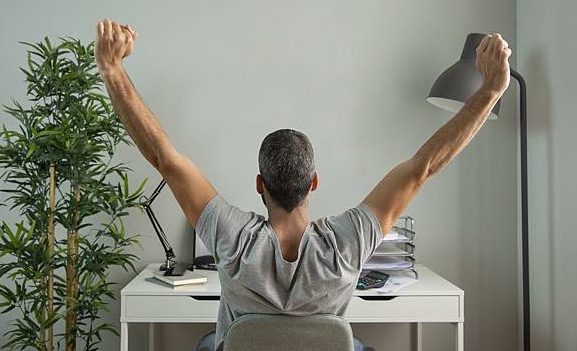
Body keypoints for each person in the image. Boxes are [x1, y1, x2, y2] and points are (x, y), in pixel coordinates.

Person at [94, 19, 511, 351]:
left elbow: (164, 158)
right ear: (313, 181)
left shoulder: (231, 237)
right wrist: (491, 88)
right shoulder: (347, 242)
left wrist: (112, 68)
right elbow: (424, 167)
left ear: (260, 184)